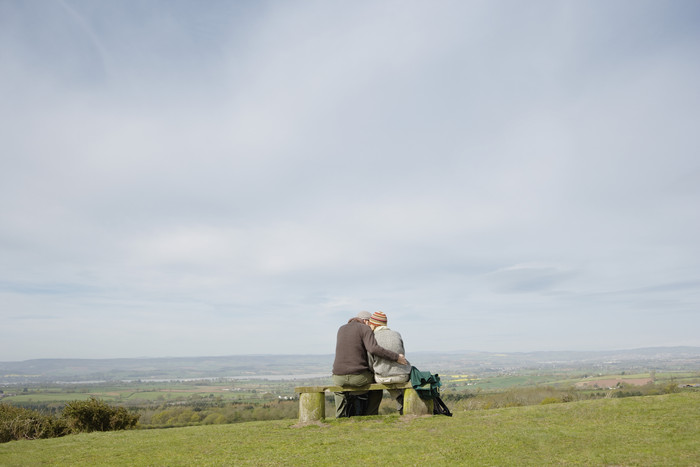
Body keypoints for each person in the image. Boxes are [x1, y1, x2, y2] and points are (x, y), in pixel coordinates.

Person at [332, 311, 409, 418]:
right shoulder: (365, 328)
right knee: (376, 385)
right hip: (358, 378)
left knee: (339, 391)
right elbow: (373, 348)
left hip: (338, 377)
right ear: (366, 321)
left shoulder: (341, 328)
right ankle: (371, 416)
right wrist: (396, 357)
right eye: (370, 322)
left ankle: (339, 416)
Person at [367, 311, 412, 414]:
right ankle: (402, 404)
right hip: (402, 375)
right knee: (394, 379)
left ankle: (399, 400)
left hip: (383, 377)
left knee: (384, 377)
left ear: (374, 324)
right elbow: (402, 353)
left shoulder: (372, 337)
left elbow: (370, 361)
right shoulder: (397, 334)